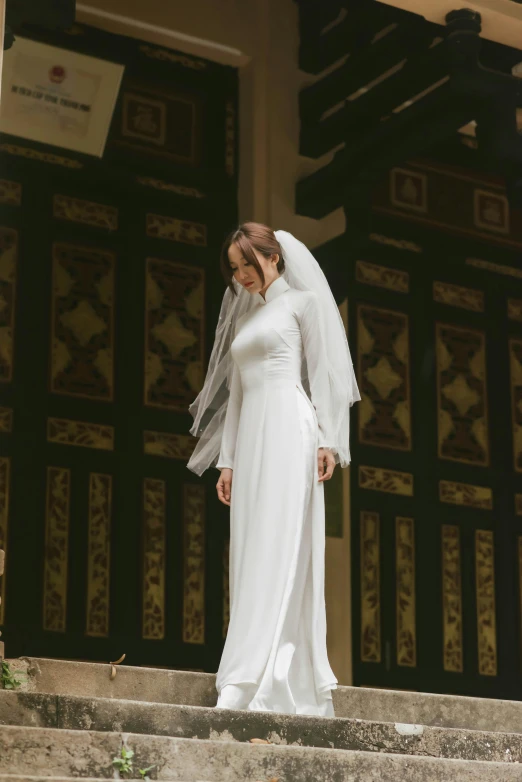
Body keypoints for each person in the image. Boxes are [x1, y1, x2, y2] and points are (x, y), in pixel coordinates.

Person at [187, 223, 360, 716]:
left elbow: (327, 372)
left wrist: (327, 438)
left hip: (290, 427)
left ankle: (263, 677)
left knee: (282, 542)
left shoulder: (303, 305)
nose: (241, 274)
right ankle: (243, 667)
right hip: (254, 436)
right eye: (235, 267)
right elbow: (238, 396)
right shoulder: (246, 322)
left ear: (274, 258)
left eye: (249, 263)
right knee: (250, 546)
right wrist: (227, 460)